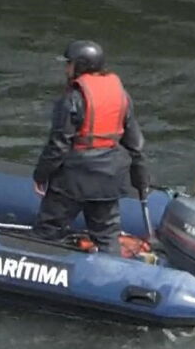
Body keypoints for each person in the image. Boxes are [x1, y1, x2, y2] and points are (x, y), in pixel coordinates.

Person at [32, 40, 150, 254]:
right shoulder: (121, 95)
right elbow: (135, 145)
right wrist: (141, 181)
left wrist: (41, 175)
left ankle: (41, 270)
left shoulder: (72, 98)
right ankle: (111, 276)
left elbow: (58, 145)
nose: (66, 68)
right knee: (107, 236)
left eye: (69, 64)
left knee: (48, 230)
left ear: (80, 66)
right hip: (109, 180)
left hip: (72, 181)